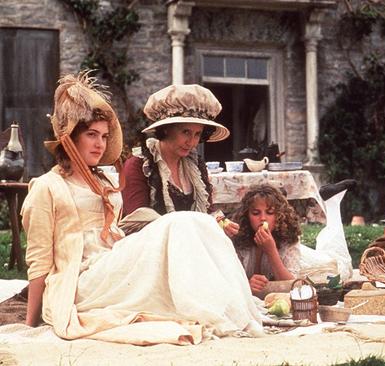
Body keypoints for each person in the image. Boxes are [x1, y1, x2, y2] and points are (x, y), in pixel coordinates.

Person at [22, 72, 262, 345]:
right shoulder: (47, 186)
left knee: (203, 223)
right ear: (71, 139)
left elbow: (118, 233)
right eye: (91, 135)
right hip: (81, 280)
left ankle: (234, 312)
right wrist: (31, 323)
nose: (100, 144)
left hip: (112, 265)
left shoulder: (104, 181)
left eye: (104, 136)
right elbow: (39, 261)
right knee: (180, 222)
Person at [121, 84, 240, 235]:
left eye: (197, 134)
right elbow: (137, 223)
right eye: (186, 132)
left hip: (191, 244)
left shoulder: (195, 166)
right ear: (166, 129)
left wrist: (217, 222)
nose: (192, 142)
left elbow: (206, 212)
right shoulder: (139, 165)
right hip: (152, 248)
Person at [231, 184, 353, 295]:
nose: (263, 218)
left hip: (313, 267)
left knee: (341, 263)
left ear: (279, 215)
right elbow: (234, 280)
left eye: (270, 212)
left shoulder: (288, 239)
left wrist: (271, 250)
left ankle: (333, 202)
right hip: (300, 260)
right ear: (247, 216)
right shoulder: (240, 240)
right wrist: (248, 283)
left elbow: (291, 285)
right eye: (256, 213)